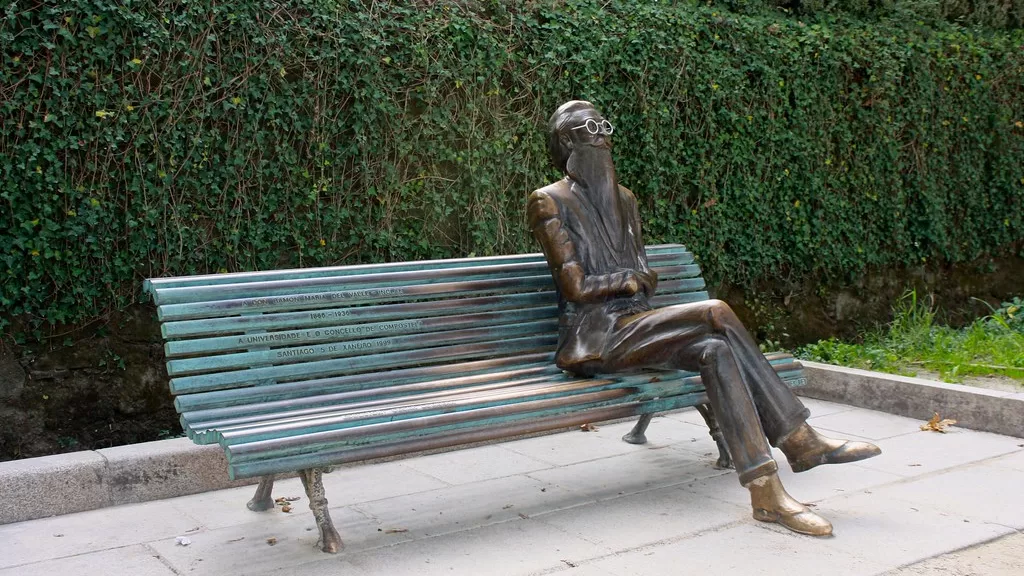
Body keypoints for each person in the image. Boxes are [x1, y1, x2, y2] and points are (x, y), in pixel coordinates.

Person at [527, 100, 881, 536]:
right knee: (716, 311)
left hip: (638, 324)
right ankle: (798, 438)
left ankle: (767, 495)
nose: (603, 135)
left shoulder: (625, 199)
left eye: (606, 125)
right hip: (598, 338)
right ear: (567, 140)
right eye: (591, 128)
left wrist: (634, 281)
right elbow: (576, 288)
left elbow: (648, 279)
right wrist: (627, 279)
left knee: (714, 351)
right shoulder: (548, 200)